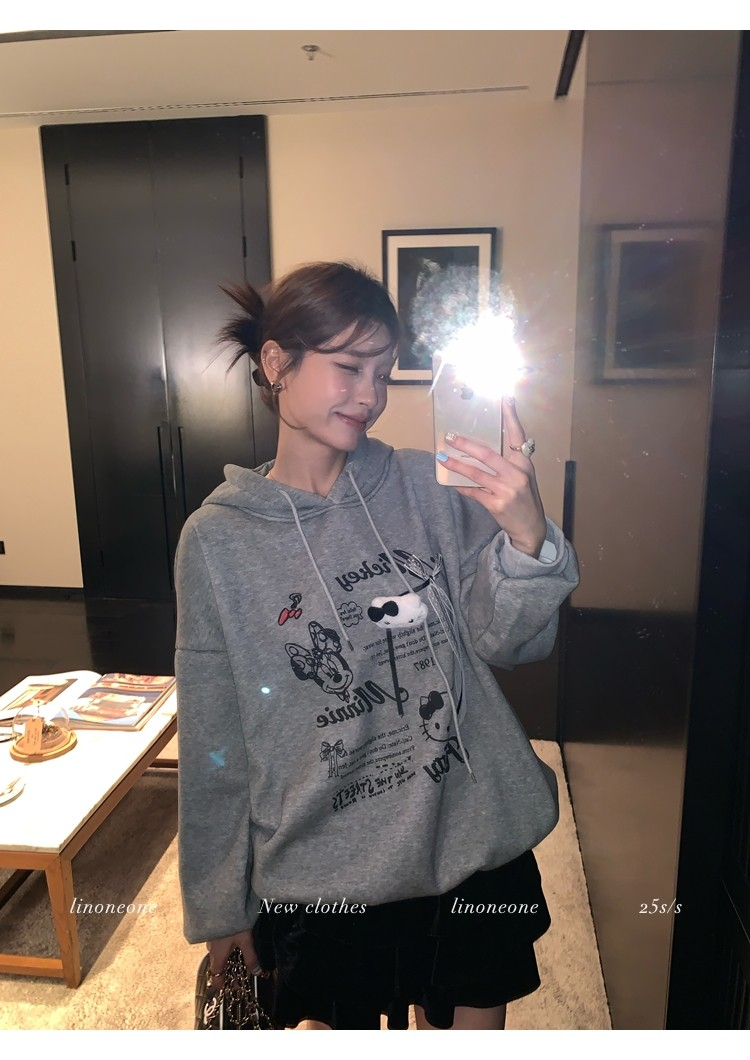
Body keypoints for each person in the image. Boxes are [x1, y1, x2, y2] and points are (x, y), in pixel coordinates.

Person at [175, 260, 580, 1031]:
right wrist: (220, 901)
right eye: (349, 366)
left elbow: (510, 643)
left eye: (385, 371)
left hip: (468, 840)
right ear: (276, 363)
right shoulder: (219, 541)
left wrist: (528, 538)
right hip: (325, 865)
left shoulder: (430, 488)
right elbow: (214, 734)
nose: (371, 394)